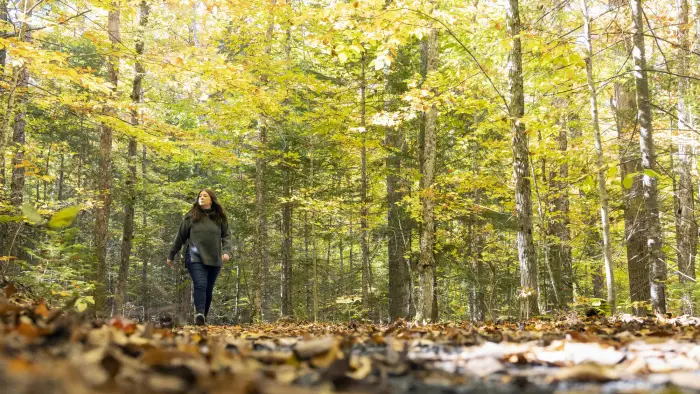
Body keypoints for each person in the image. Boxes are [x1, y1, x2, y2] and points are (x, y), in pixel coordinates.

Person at [167, 189, 232, 325]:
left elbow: (226, 236)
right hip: (194, 256)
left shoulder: (220, 218)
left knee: (208, 289)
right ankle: (199, 312)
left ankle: (202, 319)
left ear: (211, 199)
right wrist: (171, 254)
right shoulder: (191, 216)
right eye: (200, 196)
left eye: (205, 196)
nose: (201, 198)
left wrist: (226, 252)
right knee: (200, 284)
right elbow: (180, 237)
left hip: (214, 258)